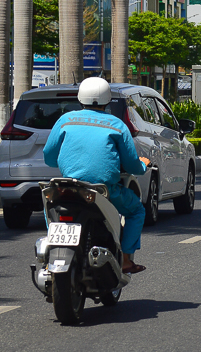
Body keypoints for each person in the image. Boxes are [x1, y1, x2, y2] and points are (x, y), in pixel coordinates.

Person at [43, 78, 150, 275]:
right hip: (104, 191)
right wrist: (143, 164)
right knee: (136, 211)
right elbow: (132, 164)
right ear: (107, 100)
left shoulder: (65, 120)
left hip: (69, 188)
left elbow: (49, 158)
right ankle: (126, 260)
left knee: (51, 207)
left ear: (79, 98)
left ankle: (50, 247)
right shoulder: (117, 125)